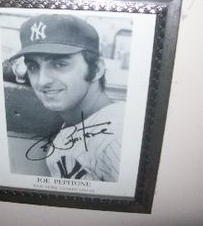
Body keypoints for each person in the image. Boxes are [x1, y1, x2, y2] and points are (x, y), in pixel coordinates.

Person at [11, 14, 125, 182]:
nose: (42, 81)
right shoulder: (80, 120)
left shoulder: (117, 138)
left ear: (96, 69)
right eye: (33, 66)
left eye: (59, 64)